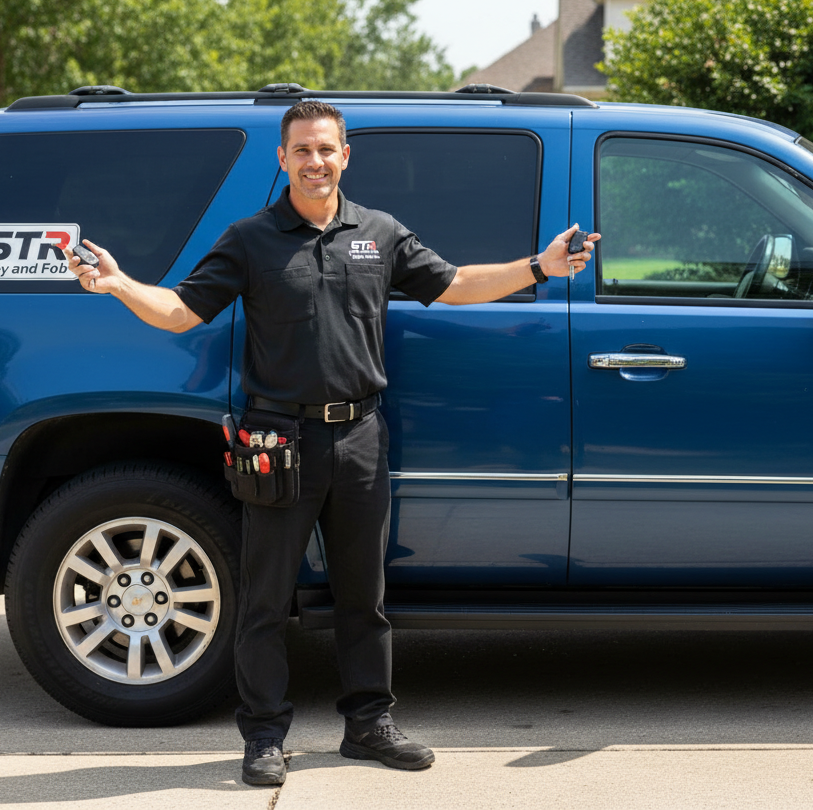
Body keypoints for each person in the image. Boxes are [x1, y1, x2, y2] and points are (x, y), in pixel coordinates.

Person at [66, 99, 597, 787]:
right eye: (303, 151)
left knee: (363, 595)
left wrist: (539, 266)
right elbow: (181, 312)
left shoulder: (379, 232)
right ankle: (263, 737)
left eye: (327, 149)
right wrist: (118, 284)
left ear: (346, 155)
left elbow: (455, 284)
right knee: (264, 599)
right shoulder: (251, 239)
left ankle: (369, 725)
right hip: (279, 440)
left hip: (361, 436)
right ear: (282, 160)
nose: (316, 161)